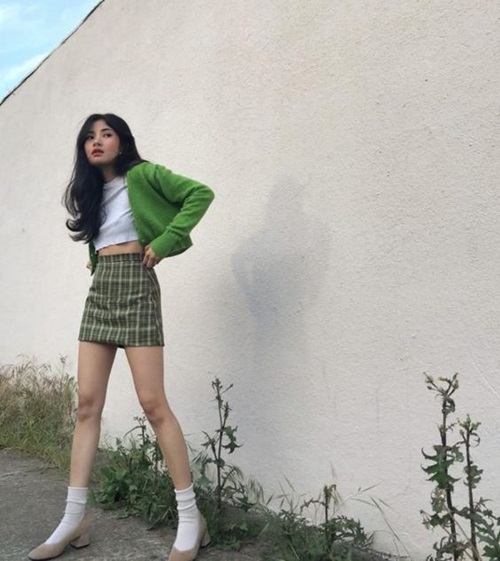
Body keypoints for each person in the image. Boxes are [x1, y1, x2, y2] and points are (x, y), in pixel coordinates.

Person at [28, 113, 214, 561]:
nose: (97, 141)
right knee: (86, 405)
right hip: (102, 291)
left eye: (106, 134)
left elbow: (200, 194)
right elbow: (103, 238)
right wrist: (97, 259)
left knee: (153, 404)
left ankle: (191, 517)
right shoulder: (92, 193)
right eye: (89, 137)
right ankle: (75, 518)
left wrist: (166, 241)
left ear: (122, 141)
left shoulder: (143, 175)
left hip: (137, 285)